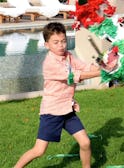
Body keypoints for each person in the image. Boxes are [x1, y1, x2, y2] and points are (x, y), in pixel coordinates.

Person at [14, 22, 101, 168]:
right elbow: (74, 76)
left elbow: (84, 66)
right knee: (39, 150)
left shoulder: (68, 56)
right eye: (56, 42)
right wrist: (101, 73)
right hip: (52, 112)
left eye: (63, 41)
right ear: (47, 44)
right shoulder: (50, 63)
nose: (61, 45)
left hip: (67, 109)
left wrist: (102, 67)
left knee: (85, 142)